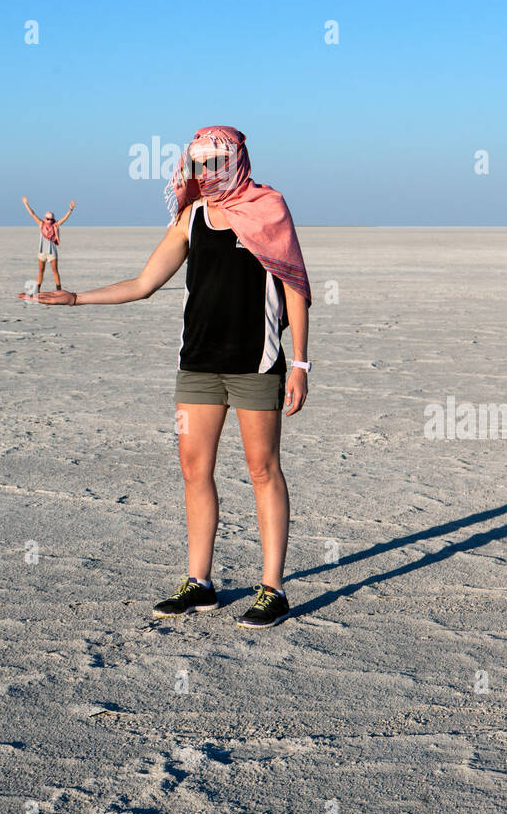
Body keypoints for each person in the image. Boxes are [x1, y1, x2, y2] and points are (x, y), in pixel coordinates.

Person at [37, 126, 312, 628]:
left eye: (214, 164)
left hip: (256, 362)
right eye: (198, 164)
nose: (205, 174)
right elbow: (144, 283)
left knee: (263, 470)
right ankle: (199, 583)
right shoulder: (192, 217)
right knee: (193, 469)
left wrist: (300, 364)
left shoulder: (268, 208)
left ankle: (272, 588)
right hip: (198, 365)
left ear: (235, 162)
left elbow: (294, 286)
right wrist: (76, 299)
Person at [22, 197, 76, 292]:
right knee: (41, 271)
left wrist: (71, 209)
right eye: (48, 219)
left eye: (51, 219)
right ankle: (37, 290)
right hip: (42, 252)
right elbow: (32, 214)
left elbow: (64, 218)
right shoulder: (41, 224)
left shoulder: (55, 226)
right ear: (44, 218)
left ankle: (59, 290)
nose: (49, 221)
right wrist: (26, 204)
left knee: (55, 271)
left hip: (52, 253)